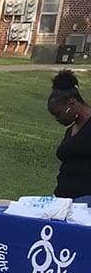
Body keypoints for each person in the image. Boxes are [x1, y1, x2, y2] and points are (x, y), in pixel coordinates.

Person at [48, 69, 91, 201]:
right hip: (63, 198)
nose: (57, 119)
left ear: (71, 104)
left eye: (58, 114)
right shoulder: (72, 129)